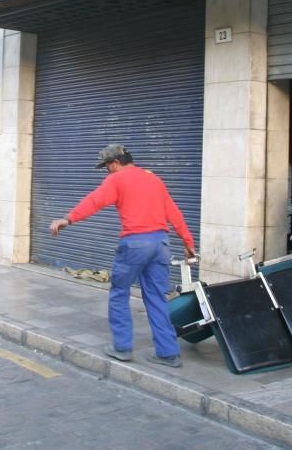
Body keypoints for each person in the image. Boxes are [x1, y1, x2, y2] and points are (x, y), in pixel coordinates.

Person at [48, 143, 196, 368]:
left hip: (135, 244)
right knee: (156, 297)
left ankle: (122, 348)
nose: (106, 171)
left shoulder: (116, 179)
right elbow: (174, 212)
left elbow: (94, 201)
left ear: (115, 162)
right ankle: (168, 353)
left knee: (119, 292)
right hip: (160, 244)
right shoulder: (153, 179)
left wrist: (68, 219)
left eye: (106, 166)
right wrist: (188, 243)